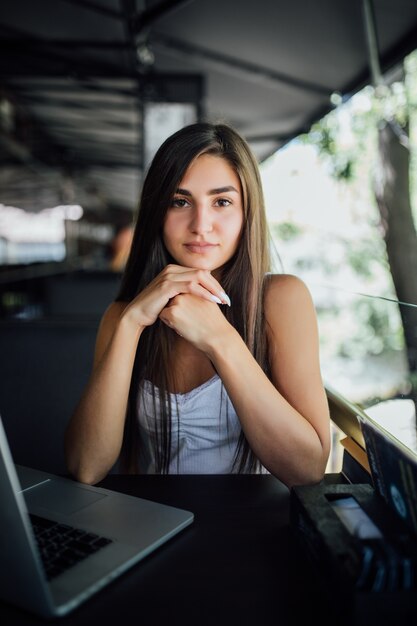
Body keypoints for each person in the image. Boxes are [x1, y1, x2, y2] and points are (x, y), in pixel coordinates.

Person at [65, 122, 331, 487]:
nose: (200, 224)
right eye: (180, 201)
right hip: (154, 527)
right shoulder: (124, 315)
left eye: (221, 202)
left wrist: (220, 338)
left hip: (254, 529)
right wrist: (130, 325)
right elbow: (85, 467)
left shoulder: (281, 299)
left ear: (246, 213)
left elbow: (307, 469)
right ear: (158, 212)